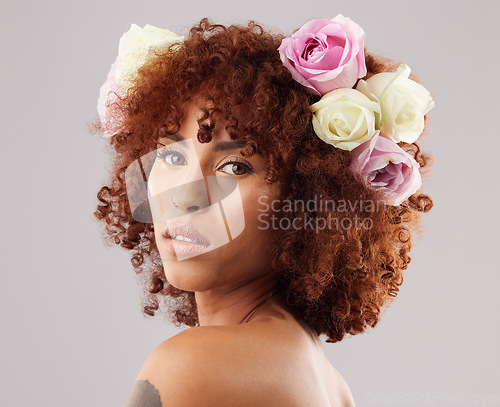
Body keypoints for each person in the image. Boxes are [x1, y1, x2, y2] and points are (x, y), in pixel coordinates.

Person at [93, 15, 434, 407]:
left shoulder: (194, 365)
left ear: (308, 203)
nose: (185, 195)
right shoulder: (329, 384)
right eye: (171, 154)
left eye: (235, 166)